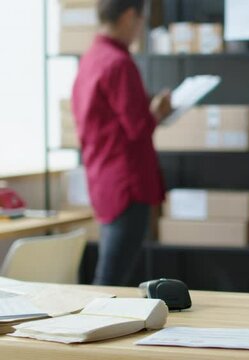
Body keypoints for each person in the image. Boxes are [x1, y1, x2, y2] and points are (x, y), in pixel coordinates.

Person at [72, 0, 171, 286]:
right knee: (111, 279)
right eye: (141, 22)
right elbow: (137, 127)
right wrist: (157, 112)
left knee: (111, 273)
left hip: (103, 178)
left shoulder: (91, 58)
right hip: (126, 182)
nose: (141, 30)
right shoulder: (119, 62)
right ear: (129, 17)